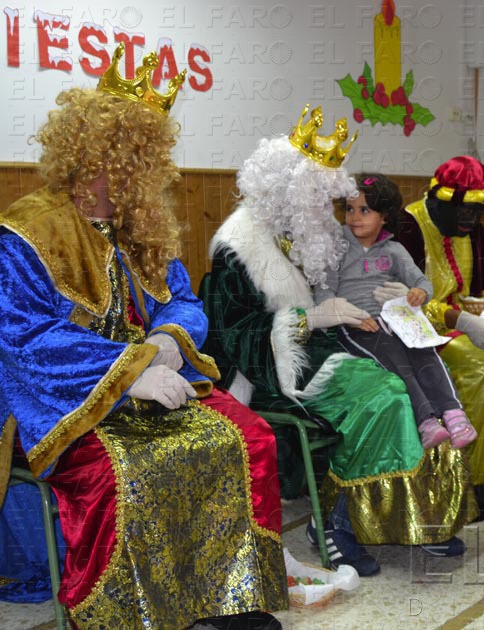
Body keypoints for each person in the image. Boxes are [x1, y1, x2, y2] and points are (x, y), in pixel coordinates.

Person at [0, 44, 286, 629]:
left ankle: (232, 594)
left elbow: (183, 299)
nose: (152, 172)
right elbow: (24, 339)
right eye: (138, 157)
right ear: (96, 155)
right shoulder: (27, 231)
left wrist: (167, 343)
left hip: (154, 376)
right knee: (124, 473)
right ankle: (132, 612)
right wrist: (130, 370)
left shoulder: (141, 225)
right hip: (63, 399)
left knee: (249, 436)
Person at [200, 106, 477, 578]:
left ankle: (421, 520)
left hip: (342, 344)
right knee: (387, 395)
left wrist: (396, 300)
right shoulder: (239, 250)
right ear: (282, 193)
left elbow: (373, 268)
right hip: (277, 370)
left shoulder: (314, 235)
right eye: (312, 197)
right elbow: (236, 340)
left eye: (322, 198)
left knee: (427, 379)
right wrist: (310, 318)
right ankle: (336, 525)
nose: (323, 211)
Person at [395, 156, 484, 509]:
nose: (471, 221)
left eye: (477, 214)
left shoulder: (471, 231)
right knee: (483, 364)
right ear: (440, 199)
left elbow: (483, 284)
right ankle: (474, 476)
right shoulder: (407, 227)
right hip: (416, 336)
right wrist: (460, 320)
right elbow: (401, 301)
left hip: (459, 325)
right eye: (465, 211)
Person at [314, 173, 475, 450]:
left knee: (424, 350)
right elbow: (324, 291)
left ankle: (454, 415)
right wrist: (344, 313)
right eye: (350, 209)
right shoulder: (336, 249)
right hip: (355, 325)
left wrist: (418, 294)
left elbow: (423, 283)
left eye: (365, 210)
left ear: (385, 216)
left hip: (395, 318)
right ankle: (426, 421)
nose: (354, 217)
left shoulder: (395, 250)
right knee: (395, 356)